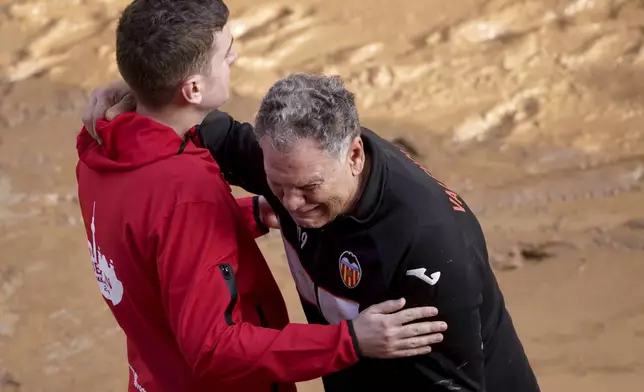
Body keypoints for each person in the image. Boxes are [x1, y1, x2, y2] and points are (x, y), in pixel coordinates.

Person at [85, 71, 541, 391]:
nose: (293, 205)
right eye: (277, 187)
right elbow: (193, 121)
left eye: (308, 188)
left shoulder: (427, 243)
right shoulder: (288, 169)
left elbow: (453, 385)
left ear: (355, 156)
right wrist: (141, 89)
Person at [76, 2, 448, 392]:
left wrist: (246, 213)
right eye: (225, 51)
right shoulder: (185, 192)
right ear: (194, 88)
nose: (234, 55)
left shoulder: (99, 147)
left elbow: (145, 242)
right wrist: (351, 340)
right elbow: (213, 349)